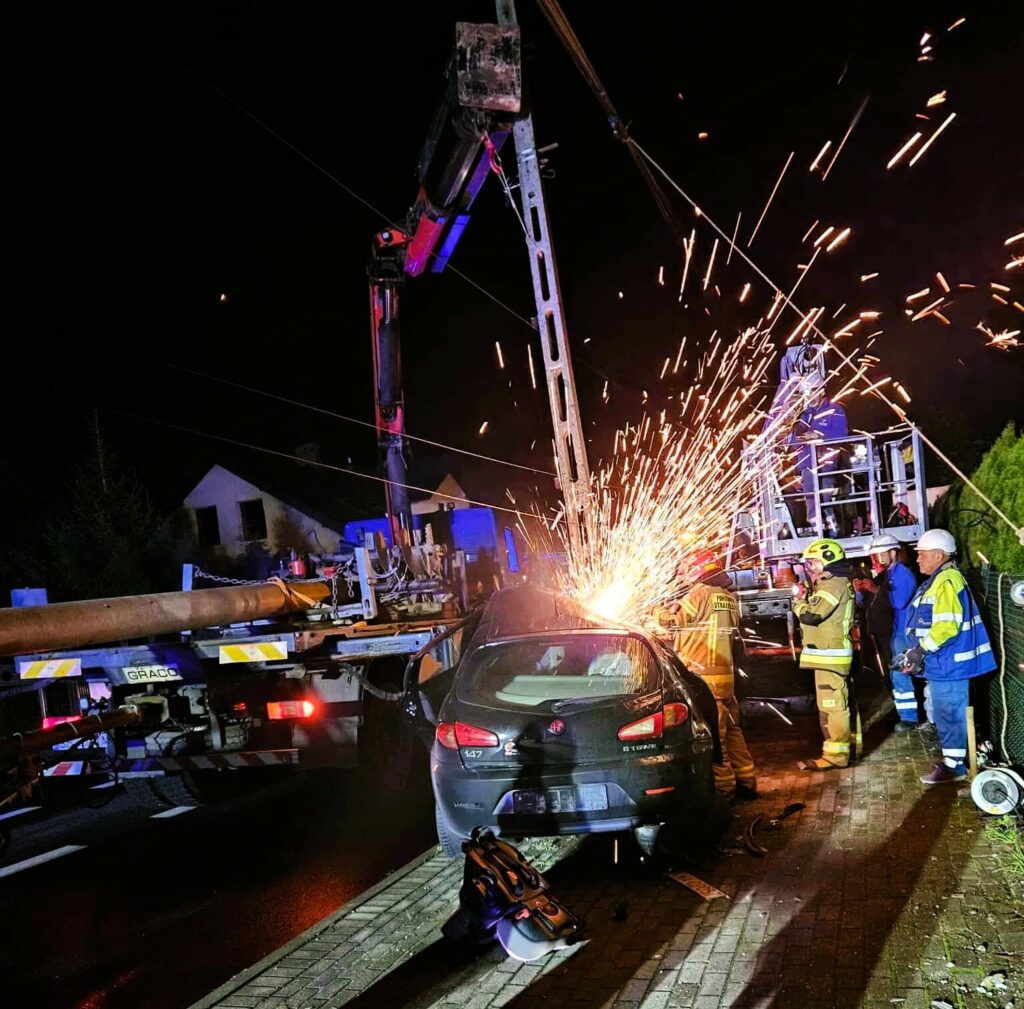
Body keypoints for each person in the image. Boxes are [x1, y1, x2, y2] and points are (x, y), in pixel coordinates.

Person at [896, 528, 996, 785]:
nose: (918, 559)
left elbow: (947, 627)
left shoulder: (947, 581)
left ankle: (955, 766)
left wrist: (920, 650)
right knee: (946, 714)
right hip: (944, 663)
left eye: (922, 554)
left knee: (950, 714)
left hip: (950, 664)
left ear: (939, 555)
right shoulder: (940, 579)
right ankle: (953, 761)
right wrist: (914, 652)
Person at [660, 549, 757, 801]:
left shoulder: (699, 593)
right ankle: (747, 780)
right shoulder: (727, 596)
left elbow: (673, 621)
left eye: (685, 571)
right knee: (733, 731)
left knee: (716, 738)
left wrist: (657, 613)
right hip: (725, 677)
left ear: (696, 570)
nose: (684, 576)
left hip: (704, 679)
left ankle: (725, 791)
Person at [793, 538, 861, 770]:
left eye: (812, 562)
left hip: (829, 655)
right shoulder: (835, 583)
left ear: (827, 561)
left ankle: (836, 756)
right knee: (841, 703)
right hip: (831, 654)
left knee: (832, 706)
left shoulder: (832, 584)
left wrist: (798, 603)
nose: (809, 568)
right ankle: (850, 749)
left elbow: (812, 616)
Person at [861, 533, 920, 731]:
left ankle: (910, 718)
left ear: (893, 553)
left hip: (904, 632)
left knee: (901, 674)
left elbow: (900, 601)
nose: (878, 558)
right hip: (897, 631)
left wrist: (877, 590)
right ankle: (906, 716)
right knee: (898, 675)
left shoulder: (903, 574)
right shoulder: (891, 574)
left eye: (881, 554)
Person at [788, 385, 848, 534]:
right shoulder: (804, 414)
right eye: (807, 393)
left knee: (824, 500)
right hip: (807, 464)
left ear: (822, 391)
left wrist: (819, 437)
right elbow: (794, 442)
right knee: (812, 501)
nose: (810, 396)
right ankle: (818, 532)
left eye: (813, 392)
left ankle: (833, 532)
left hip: (825, 464)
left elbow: (841, 436)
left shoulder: (834, 410)